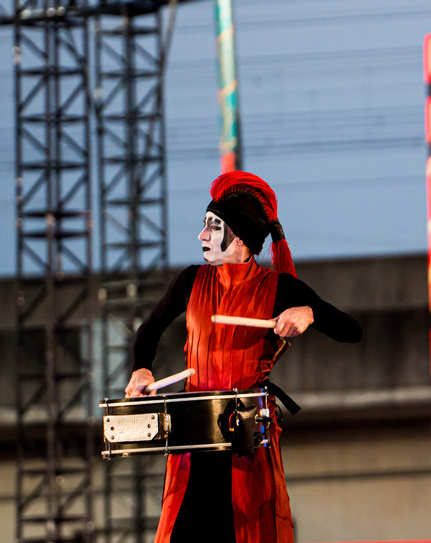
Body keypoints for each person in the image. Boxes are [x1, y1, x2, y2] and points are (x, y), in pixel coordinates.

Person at [125, 171, 362, 543]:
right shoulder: (191, 280)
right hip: (194, 438)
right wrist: (141, 369)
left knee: (245, 529)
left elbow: (351, 330)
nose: (202, 235)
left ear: (239, 237)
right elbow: (149, 329)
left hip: (246, 438)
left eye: (212, 226)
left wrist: (309, 313)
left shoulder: (279, 288)